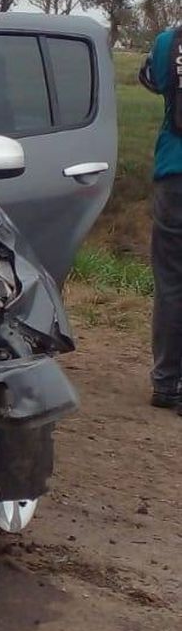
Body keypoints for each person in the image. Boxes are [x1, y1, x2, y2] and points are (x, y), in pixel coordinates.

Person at [139, 27, 182, 409]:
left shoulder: (170, 40)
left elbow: (153, 80)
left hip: (175, 171)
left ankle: (167, 383)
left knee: (171, 283)